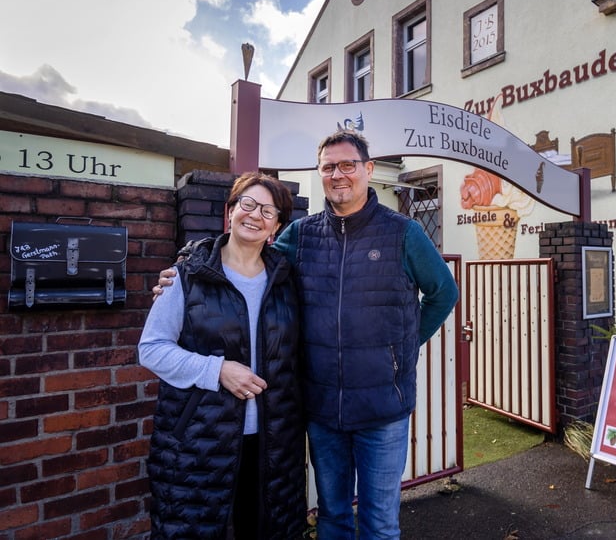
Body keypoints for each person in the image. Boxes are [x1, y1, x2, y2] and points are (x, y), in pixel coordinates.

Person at [157, 131, 459, 539]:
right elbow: (247, 254)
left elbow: (444, 294)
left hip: (383, 408)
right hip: (320, 407)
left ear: (368, 170)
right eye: (329, 167)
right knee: (332, 514)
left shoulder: (403, 233)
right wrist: (188, 262)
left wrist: (402, 347)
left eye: (348, 164)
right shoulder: (300, 235)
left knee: (380, 523)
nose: (338, 174)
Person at [139, 172, 305, 540]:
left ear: (276, 225)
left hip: (273, 442)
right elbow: (151, 348)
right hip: (199, 438)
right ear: (229, 212)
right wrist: (217, 370)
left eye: (267, 210)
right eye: (247, 204)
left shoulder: (286, 280)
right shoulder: (187, 275)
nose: (255, 215)